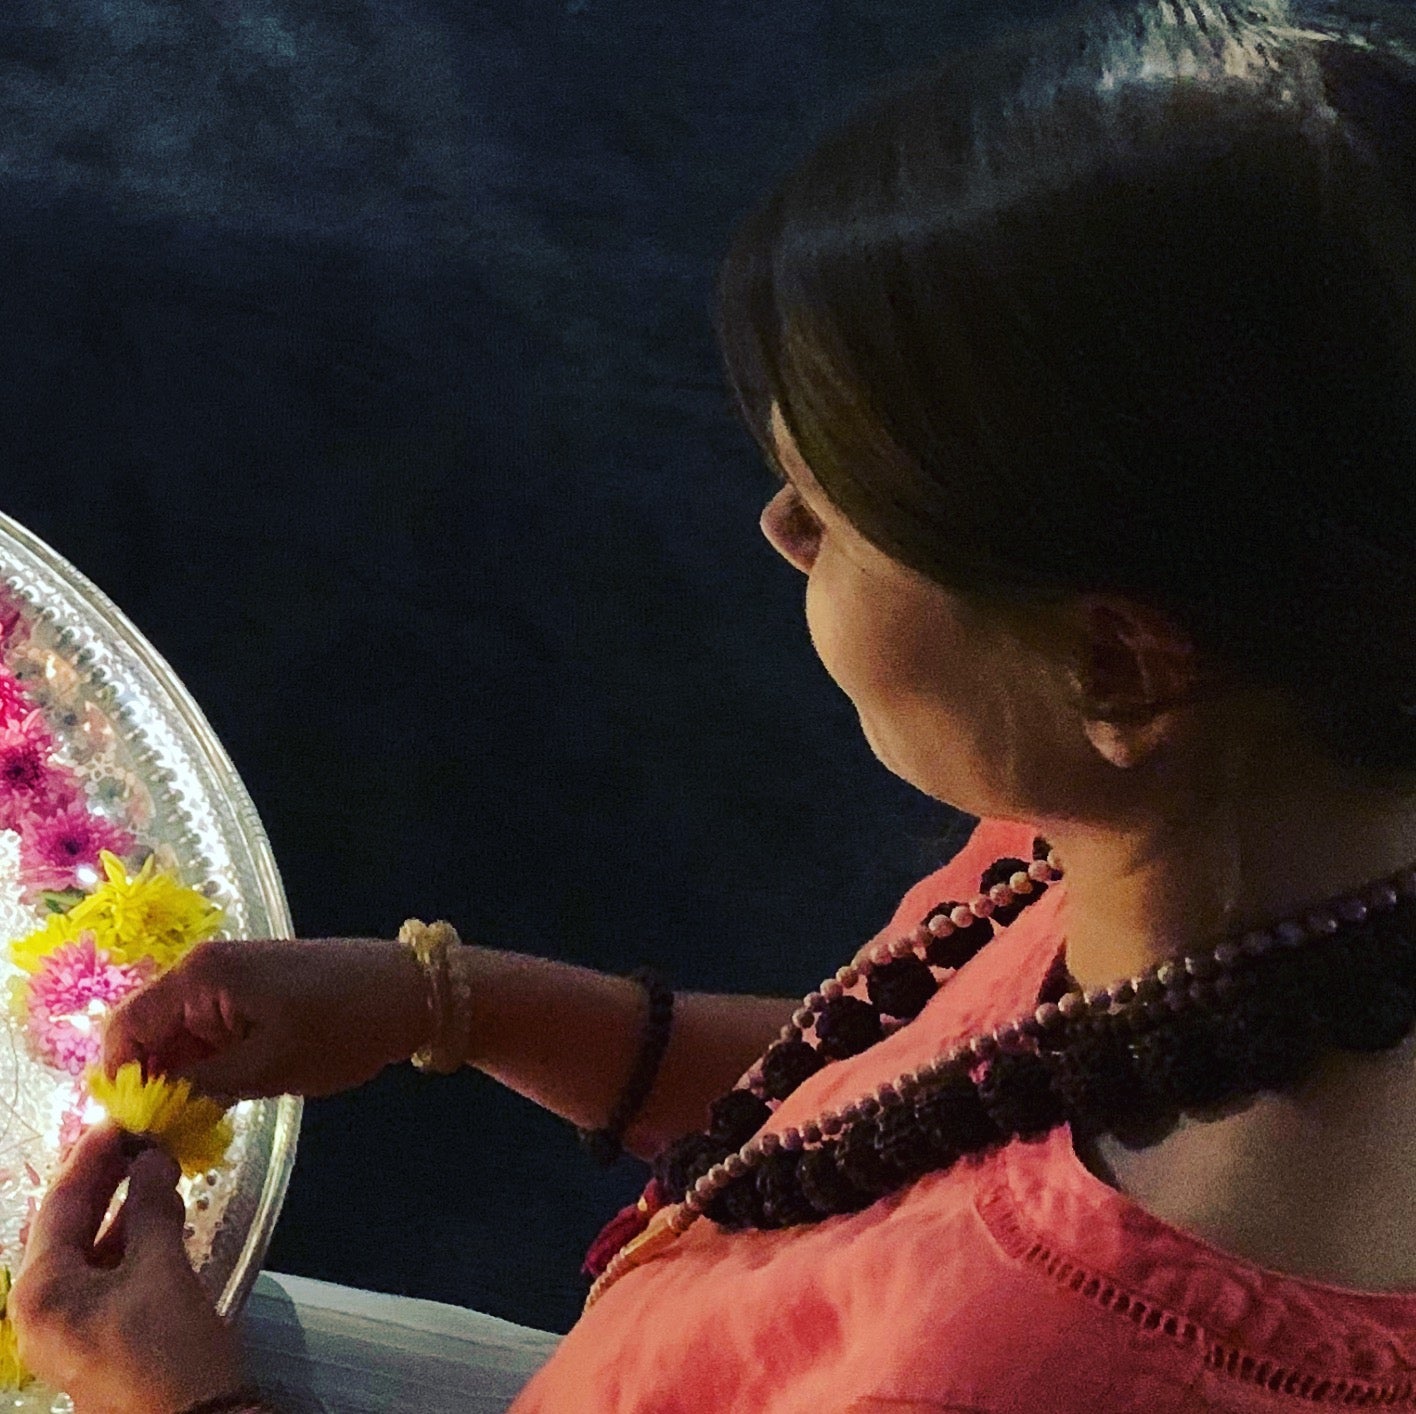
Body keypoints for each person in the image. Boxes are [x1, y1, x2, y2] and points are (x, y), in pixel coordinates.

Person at [14, 0, 1416, 1407]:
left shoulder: (1032, 1356)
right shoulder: (1216, 852)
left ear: (1115, 665)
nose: (779, 529)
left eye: (841, 517)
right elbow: (912, 1100)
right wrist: (444, 1001)